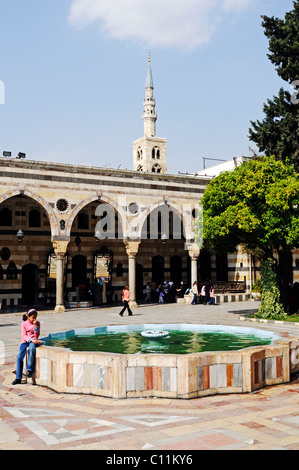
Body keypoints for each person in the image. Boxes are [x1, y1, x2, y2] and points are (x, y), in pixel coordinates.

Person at [12, 308, 40, 385]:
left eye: (35, 317)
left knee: (31, 349)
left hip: (33, 341)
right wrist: (30, 339)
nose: (34, 319)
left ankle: (29, 369)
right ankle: (18, 378)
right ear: (28, 317)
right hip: (25, 341)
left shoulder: (37, 323)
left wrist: (35, 327)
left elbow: (36, 335)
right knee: (19, 356)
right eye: (33, 317)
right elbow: (23, 335)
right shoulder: (23, 324)